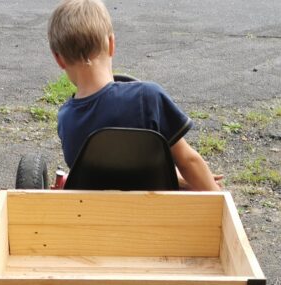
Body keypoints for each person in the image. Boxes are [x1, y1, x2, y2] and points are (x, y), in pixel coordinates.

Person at [48, 0, 222, 191]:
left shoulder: (66, 118)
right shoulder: (148, 98)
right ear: (112, 44)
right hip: (156, 208)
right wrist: (219, 199)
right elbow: (187, 161)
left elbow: (97, 174)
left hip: (96, 209)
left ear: (58, 59)